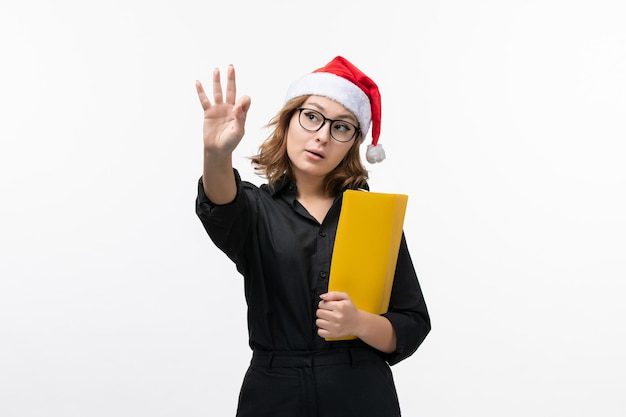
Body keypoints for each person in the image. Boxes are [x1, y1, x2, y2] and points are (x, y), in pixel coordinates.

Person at [195, 56, 430, 417]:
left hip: (361, 394)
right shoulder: (256, 209)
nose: (322, 135)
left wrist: (358, 323)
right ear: (290, 120)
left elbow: (412, 321)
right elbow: (220, 201)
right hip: (275, 393)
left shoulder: (374, 218)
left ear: (353, 142)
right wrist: (216, 153)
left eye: (342, 127)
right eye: (312, 116)